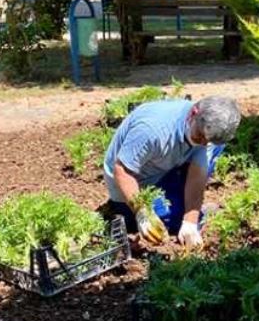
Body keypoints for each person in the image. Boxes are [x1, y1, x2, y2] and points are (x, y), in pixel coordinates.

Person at [103, 96, 241, 247]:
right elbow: (122, 171)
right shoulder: (152, 129)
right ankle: (122, 210)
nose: (203, 143)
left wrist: (190, 220)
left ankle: (183, 204)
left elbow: (198, 172)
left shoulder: (204, 128)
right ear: (194, 112)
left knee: (216, 146)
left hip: (164, 166)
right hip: (135, 181)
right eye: (200, 136)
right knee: (164, 222)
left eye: (207, 140)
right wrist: (142, 212)